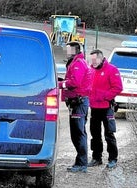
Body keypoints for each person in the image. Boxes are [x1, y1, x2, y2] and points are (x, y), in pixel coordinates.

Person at [58, 41, 93, 173]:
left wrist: (61, 85)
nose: (67, 52)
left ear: (76, 50)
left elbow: (75, 82)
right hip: (76, 102)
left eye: (69, 50)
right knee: (76, 133)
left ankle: (82, 163)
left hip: (78, 102)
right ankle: (80, 161)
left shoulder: (78, 63)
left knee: (78, 133)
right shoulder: (75, 62)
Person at [87, 49, 123, 169]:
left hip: (106, 107)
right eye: (92, 60)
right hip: (94, 108)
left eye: (95, 59)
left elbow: (118, 87)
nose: (93, 62)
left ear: (101, 58)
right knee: (95, 134)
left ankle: (113, 159)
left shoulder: (112, 70)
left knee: (109, 134)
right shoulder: (90, 70)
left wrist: (105, 97)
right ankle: (96, 158)